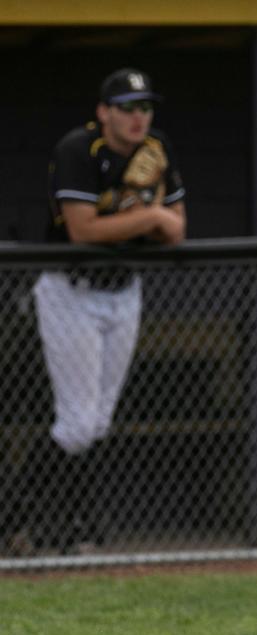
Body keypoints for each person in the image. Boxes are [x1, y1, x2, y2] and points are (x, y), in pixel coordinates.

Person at [4, 68, 186, 555]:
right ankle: (22, 514)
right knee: (78, 425)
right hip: (71, 290)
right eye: (126, 108)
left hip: (124, 291)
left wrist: (139, 223)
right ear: (104, 112)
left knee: (98, 423)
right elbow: (84, 230)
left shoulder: (157, 147)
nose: (137, 117)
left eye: (144, 107)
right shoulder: (77, 150)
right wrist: (146, 217)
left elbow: (179, 229)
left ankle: (62, 525)